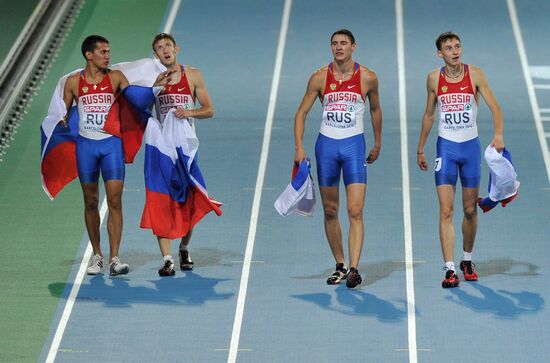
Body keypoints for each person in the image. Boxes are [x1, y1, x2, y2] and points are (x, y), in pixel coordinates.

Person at [294, 29, 382, 288]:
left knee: (355, 210)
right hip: (327, 148)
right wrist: (299, 147)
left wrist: (377, 142)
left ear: (353, 46)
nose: (339, 47)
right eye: (334, 44)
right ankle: (341, 265)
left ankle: (354, 269)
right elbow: (301, 113)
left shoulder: (367, 77)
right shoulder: (319, 77)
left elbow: (376, 110)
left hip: (354, 147)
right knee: (331, 210)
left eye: (344, 43)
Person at [416, 32, 504, 288]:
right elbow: (429, 114)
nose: (454, 51)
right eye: (449, 48)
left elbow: (495, 107)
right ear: (439, 53)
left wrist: (498, 135)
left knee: (469, 209)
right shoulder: (434, 78)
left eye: (457, 46)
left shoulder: (474, 74)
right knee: (445, 210)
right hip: (446, 149)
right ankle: (449, 268)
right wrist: (421, 148)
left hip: (470, 149)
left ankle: (466, 259)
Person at [61, 35, 130, 275]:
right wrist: (61, 118)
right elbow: (63, 111)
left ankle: (115, 259)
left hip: (111, 145)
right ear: (89, 55)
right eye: (103, 52)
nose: (108, 56)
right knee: (90, 201)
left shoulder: (116, 78)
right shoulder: (72, 82)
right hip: (86, 148)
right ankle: (97, 255)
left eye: (109, 51)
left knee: (114, 201)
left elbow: (135, 102)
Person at [148, 33, 214, 276]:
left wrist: (190, 113)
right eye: (159, 48)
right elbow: (140, 109)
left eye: (167, 46)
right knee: (160, 202)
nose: (164, 50)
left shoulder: (193, 76)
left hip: (186, 151)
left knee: (191, 201)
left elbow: (209, 110)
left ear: (176, 48)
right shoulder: (153, 81)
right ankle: (167, 259)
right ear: (155, 55)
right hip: (162, 152)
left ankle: (184, 248)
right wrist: (153, 87)